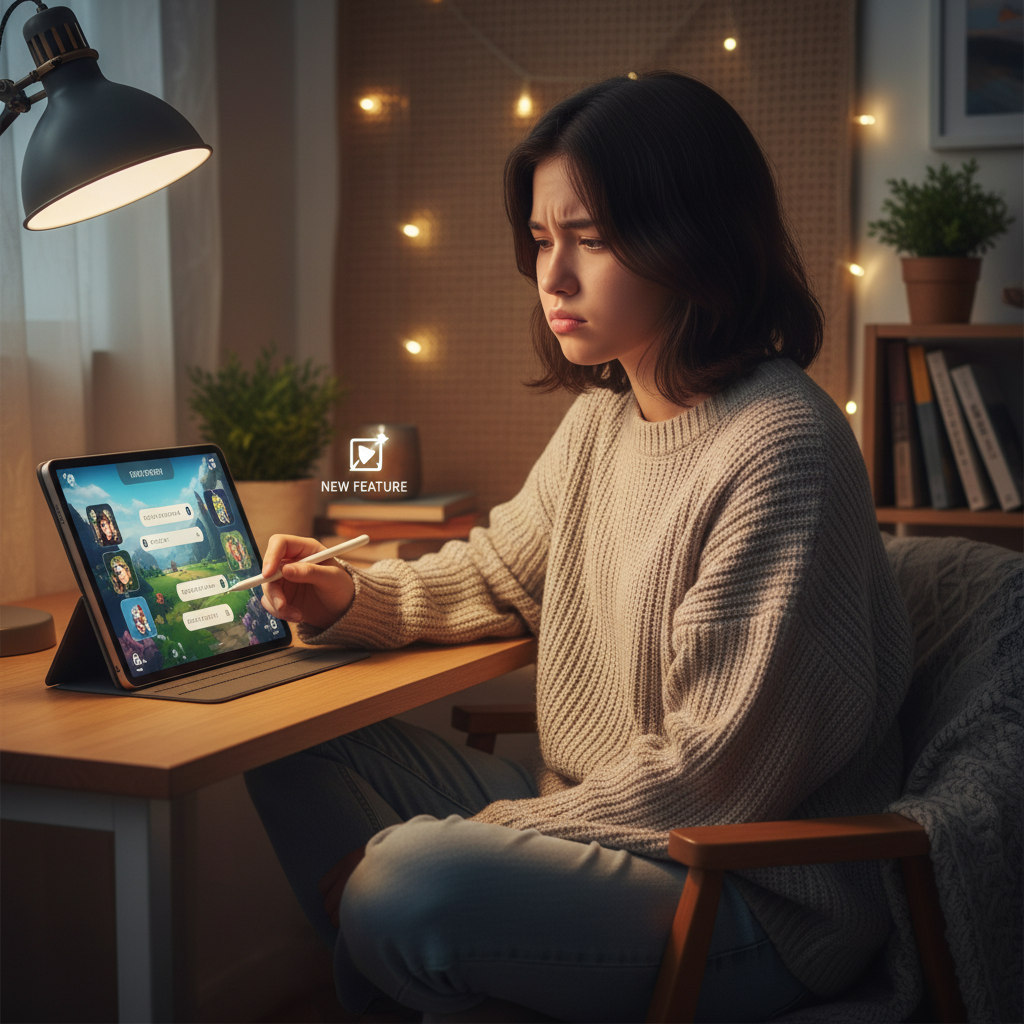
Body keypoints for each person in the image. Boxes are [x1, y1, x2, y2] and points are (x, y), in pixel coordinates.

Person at [244, 72, 912, 1023]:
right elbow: (500, 572)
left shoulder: (782, 448)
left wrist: (486, 834)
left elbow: (715, 774)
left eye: (591, 241)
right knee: (282, 745)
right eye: (544, 239)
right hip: (606, 822)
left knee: (402, 884)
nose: (552, 276)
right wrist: (350, 600)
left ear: (695, 240)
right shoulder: (607, 418)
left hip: (744, 892)